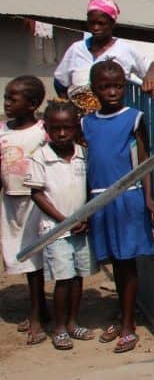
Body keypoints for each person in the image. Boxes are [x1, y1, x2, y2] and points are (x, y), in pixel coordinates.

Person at [83, 60, 154, 353]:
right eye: (105, 87)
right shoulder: (86, 123)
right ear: (95, 90)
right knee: (114, 261)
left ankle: (128, 324)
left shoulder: (134, 117)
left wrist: (148, 197)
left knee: (127, 263)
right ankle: (122, 313)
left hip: (128, 197)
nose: (112, 92)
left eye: (117, 86)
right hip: (100, 198)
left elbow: (145, 161)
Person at [25, 99, 95, 349]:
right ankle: (60, 327)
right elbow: (37, 194)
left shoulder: (83, 154)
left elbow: (88, 189)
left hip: (81, 228)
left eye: (67, 128)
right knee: (63, 279)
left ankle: (74, 323)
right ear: (47, 129)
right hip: (55, 231)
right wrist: (63, 220)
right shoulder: (40, 157)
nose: (62, 133)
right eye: (56, 128)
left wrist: (85, 217)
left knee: (78, 278)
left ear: (76, 127)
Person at [0, 76, 47, 344]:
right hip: (11, 203)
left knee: (35, 260)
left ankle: (38, 314)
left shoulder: (43, 132)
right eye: (6, 97)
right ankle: (39, 308)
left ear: (31, 104)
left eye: (12, 99)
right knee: (23, 258)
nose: (6, 103)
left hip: (36, 202)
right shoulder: (3, 131)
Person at [54, 0, 152, 113]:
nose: (95, 28)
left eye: (101, 23)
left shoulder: (125, 50)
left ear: (112, 24)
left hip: (114, 117)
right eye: (92, 23)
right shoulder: (76, 49)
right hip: (81, 120)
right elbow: (60, 82)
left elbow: (148, 75)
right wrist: (66, 109)